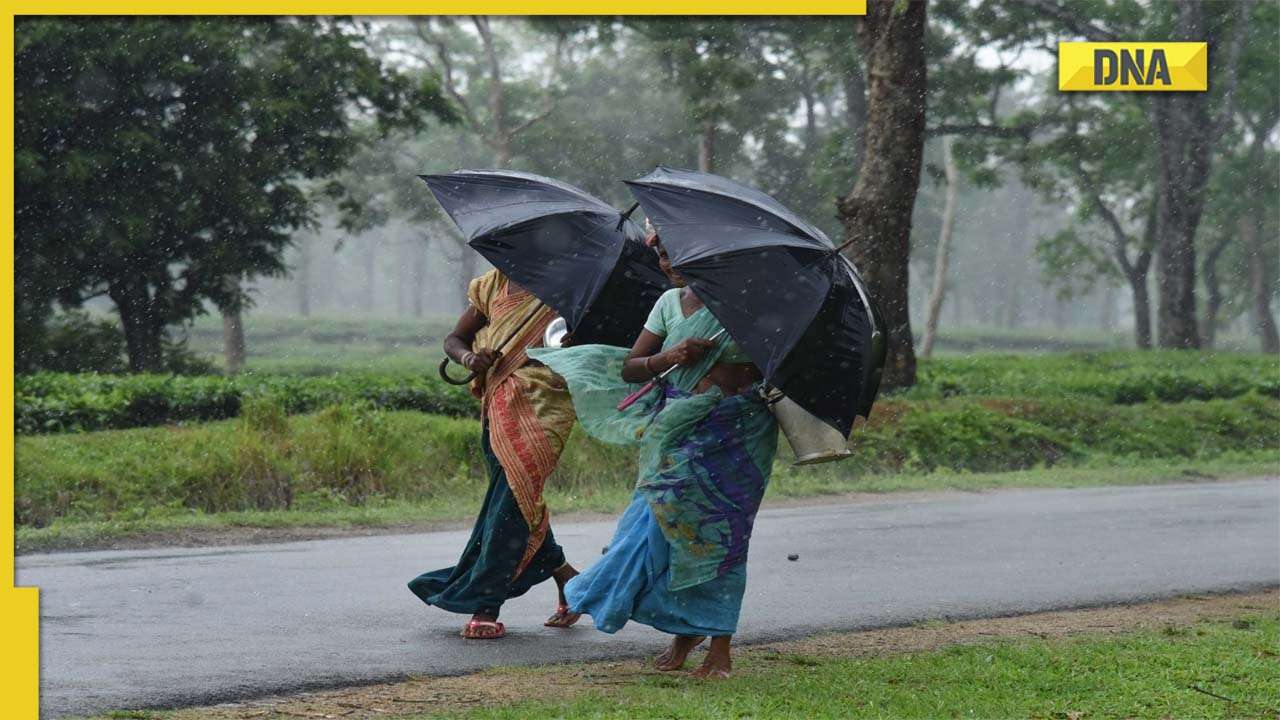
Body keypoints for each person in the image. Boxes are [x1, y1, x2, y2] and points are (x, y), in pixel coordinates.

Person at [528, 234, 778, 678]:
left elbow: (775, 364)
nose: (667, 262)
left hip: (736, 432)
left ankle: (719, 645)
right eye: (660, 254)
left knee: (721, 534)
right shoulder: (667, 302)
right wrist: (672, 356)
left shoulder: (747, 303)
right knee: (657, 525)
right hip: (677, 428)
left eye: (675, 251)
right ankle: (684, 633)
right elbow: (632, 367)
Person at [408, 269, 581, 639]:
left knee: (513, 500)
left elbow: (597, 343)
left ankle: (486, 603)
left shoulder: (570, 286)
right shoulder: (489, 285)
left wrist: (572, 341)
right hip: (497, 402)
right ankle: (566, 576)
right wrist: (470, 360)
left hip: (544, 404)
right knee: (514, 498)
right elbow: (454, 339)